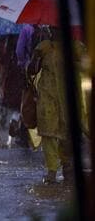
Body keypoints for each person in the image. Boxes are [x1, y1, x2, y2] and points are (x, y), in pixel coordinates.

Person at [28, 27, 73, 184]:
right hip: (47, 97)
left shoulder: (74, 47)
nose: (55, 31)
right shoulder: (44, 47)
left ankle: (67, 166)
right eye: (53, 28)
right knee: (48, 134)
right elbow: (31, 70)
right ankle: (52, 171)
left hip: (66, 96)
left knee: (66, 132)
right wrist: (36, 57)